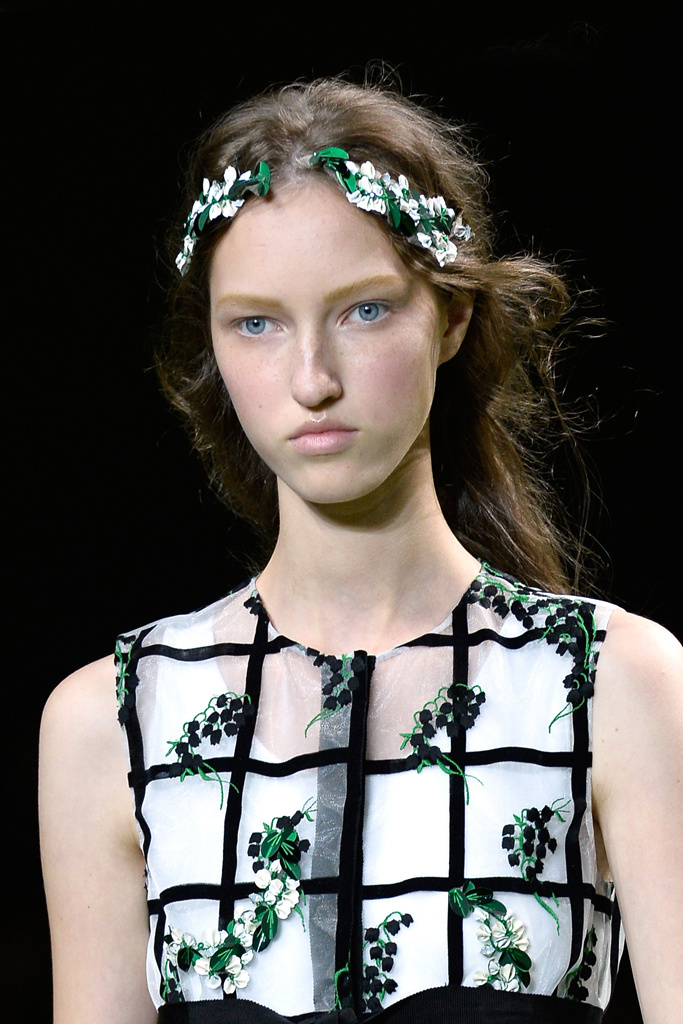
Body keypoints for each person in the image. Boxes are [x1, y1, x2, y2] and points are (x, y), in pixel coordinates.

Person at [39, 76, 682, 1024]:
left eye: (364, 310)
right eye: (255, 323)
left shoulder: (610, 683)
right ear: (212, 345)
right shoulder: (113, 720)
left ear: (452, 318)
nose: (311, 380)